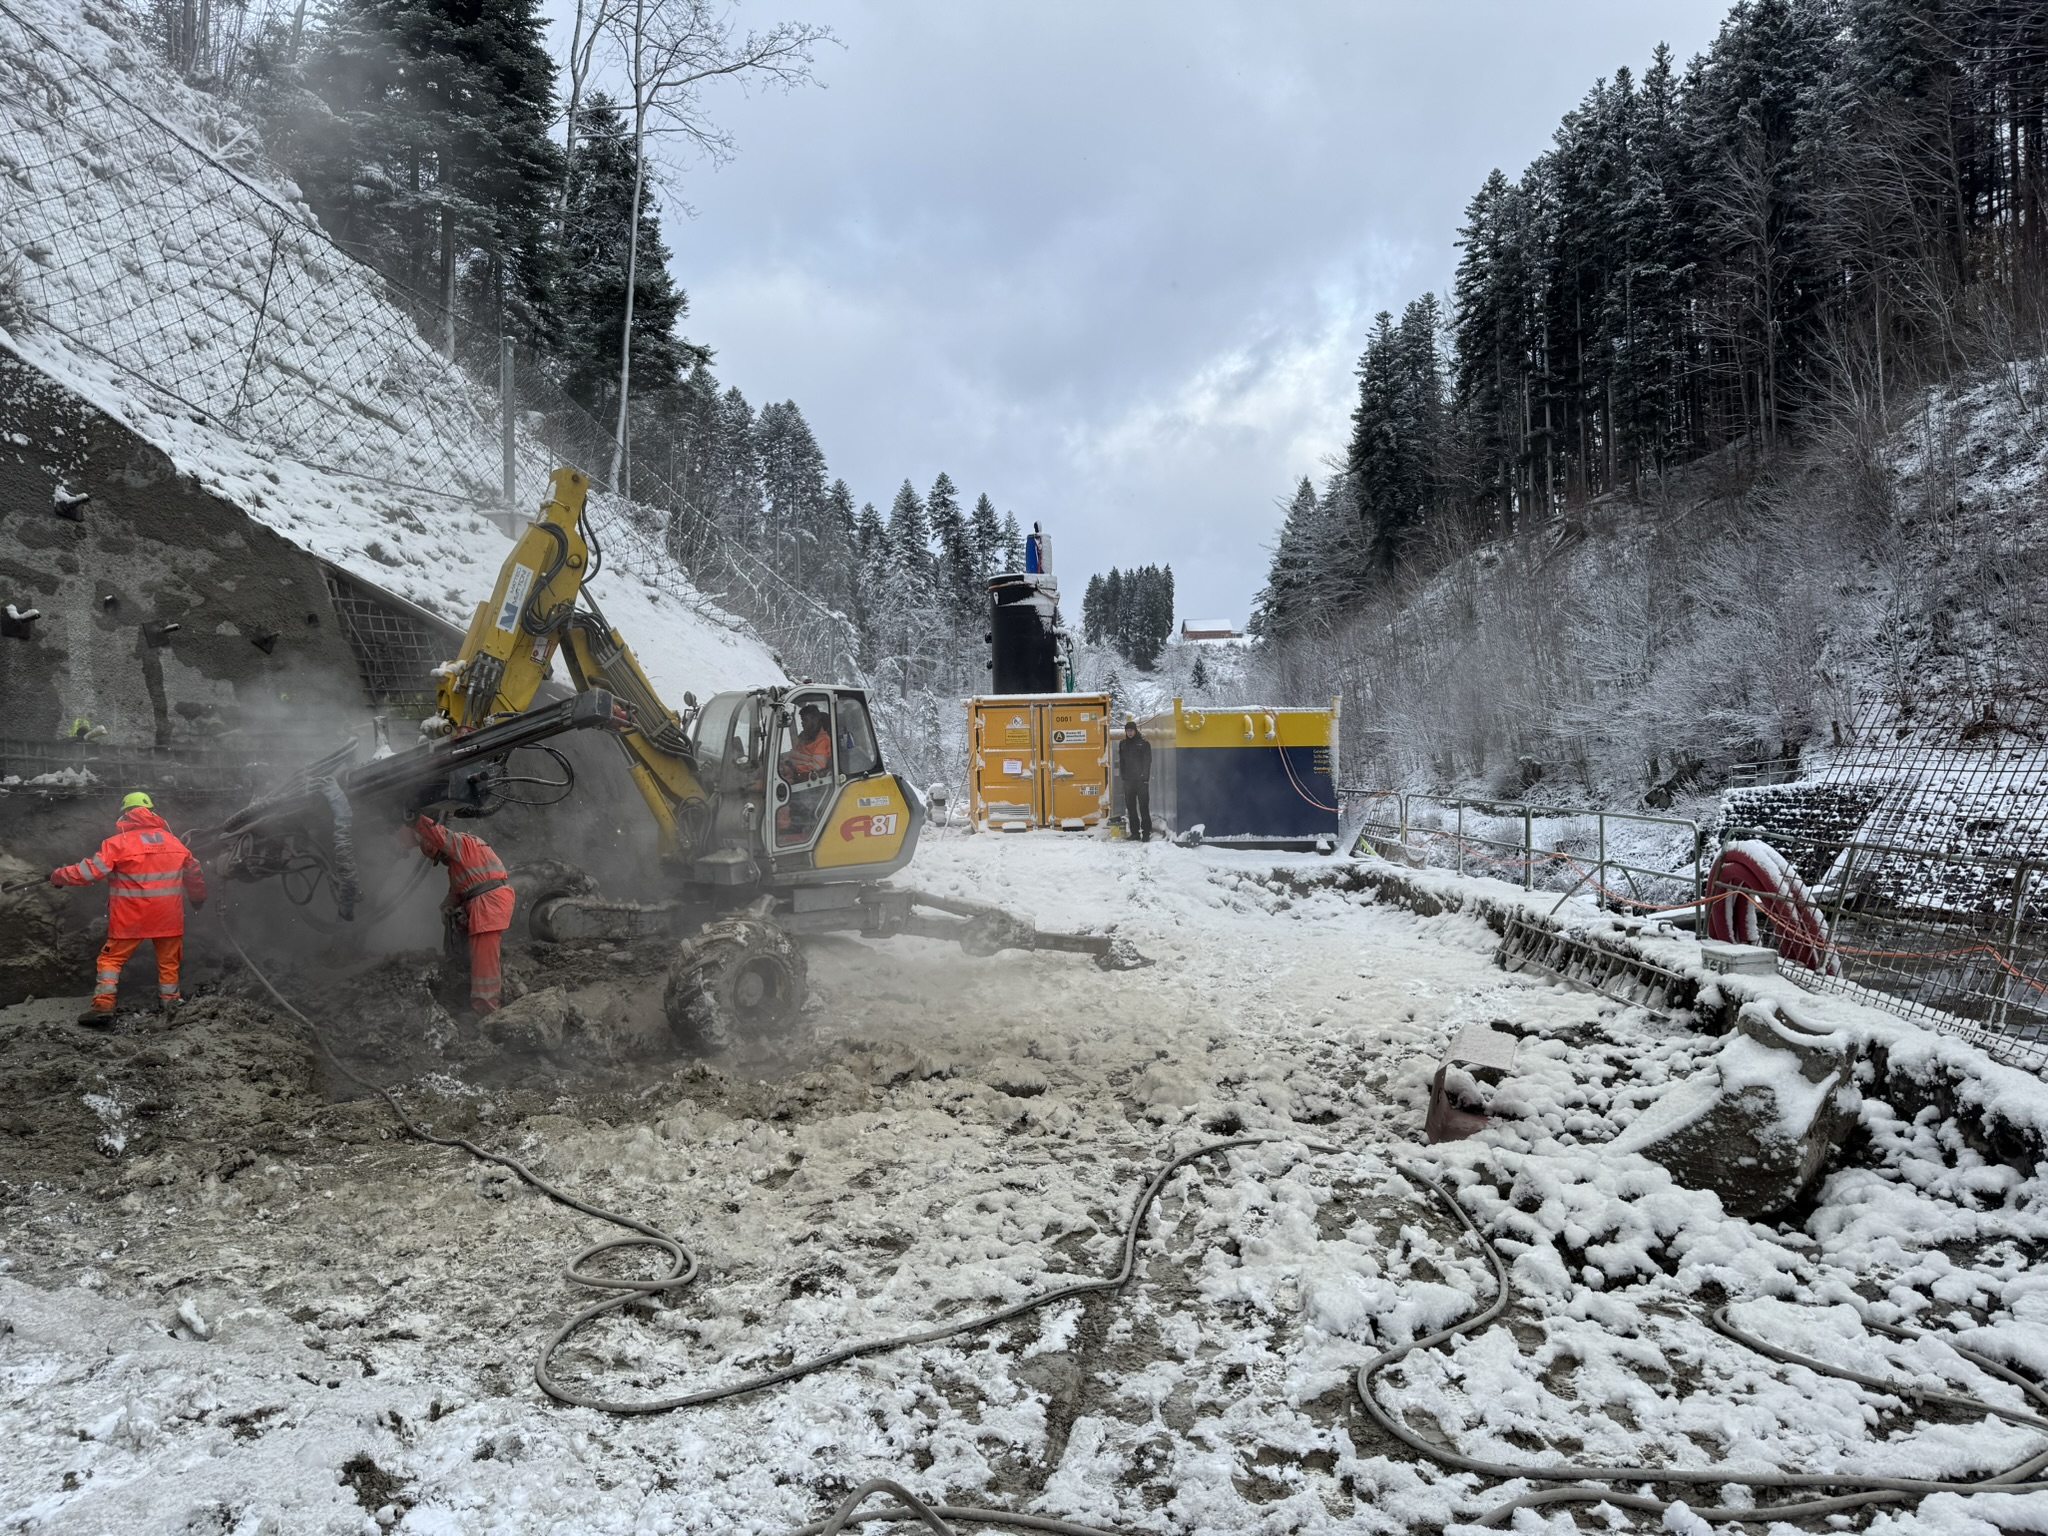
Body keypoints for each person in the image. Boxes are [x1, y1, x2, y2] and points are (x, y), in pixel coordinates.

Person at [51, 790, 207, 1024]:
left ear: (125, 814)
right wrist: (198, 898)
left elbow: (89, 872)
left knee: (111, 960)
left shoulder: (117, 843)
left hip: (131, 918)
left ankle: (103, 1007)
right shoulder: (174, 842)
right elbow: (194, 872)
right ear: (153, 812)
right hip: (168, 917)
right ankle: (171, 1005)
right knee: (169, 963)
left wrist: (58, 876)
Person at [409, 816, 515, 1015]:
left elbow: (437, 834)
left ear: (441, 848)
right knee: (476, 953)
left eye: (440, 857)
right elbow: (457, 892)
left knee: (484, 958)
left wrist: (415, 820)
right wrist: (447, 907)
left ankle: (487, 1009)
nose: (442, 862)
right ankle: (475, 993)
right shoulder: (458, 863)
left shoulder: (461, 844)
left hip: (489, 902)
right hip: (484, 901)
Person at [1118, 719, 1153, 842]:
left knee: (1144, 807)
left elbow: (1147, 761)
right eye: (1127, 731)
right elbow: (1122, 762)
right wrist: (1123, 777)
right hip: (1128, 781)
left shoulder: (1144, 744)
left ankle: (1146, 832)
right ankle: (1135, 833)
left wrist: (1145, 778)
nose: (1129, 733)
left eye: (1131, 730)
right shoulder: (1123, 744)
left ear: (1135, 730)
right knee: (1131, 808)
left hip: (1141, 781)